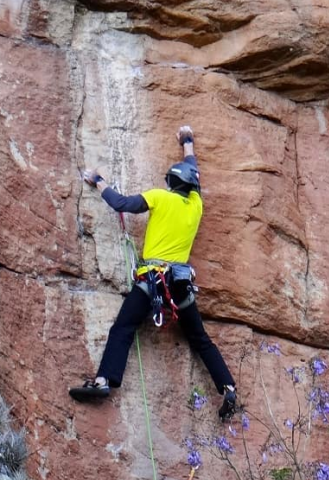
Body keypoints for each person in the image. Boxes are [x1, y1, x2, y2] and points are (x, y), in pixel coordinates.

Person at [70, 126, 238, 420]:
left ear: (171, 183)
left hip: (153, 280)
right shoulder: (196, 205)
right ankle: (228, 387)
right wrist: (187, 141)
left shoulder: (160, 197)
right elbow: (193, 170)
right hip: (181, 285)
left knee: (123, 328)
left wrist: (98, 181)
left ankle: (103, 381)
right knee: (200, 339)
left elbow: (121, 204)